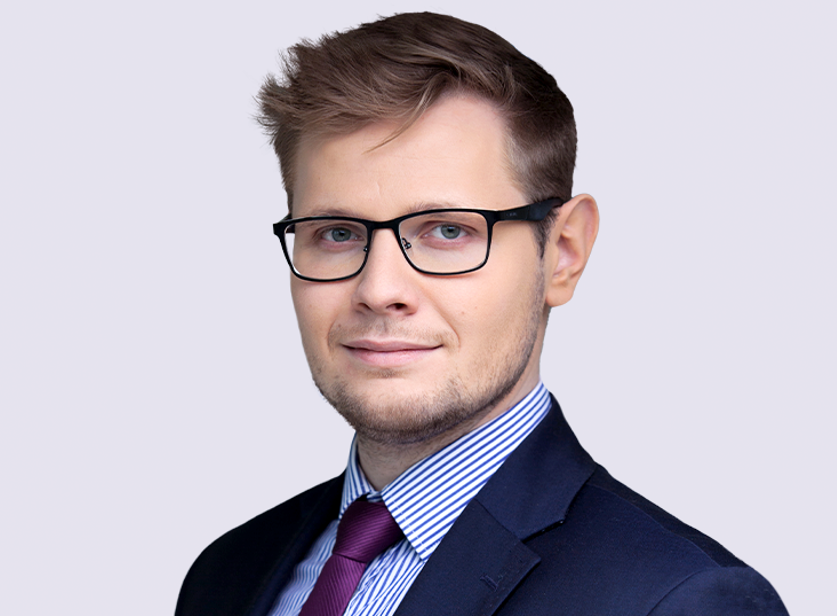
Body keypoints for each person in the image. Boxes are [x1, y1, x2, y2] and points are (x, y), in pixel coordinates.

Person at [175, 12, 788, 616]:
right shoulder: (225, 575)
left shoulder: (679, 599)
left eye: (448, 230)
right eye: (337, 233)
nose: (379, 289)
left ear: (563, 253)